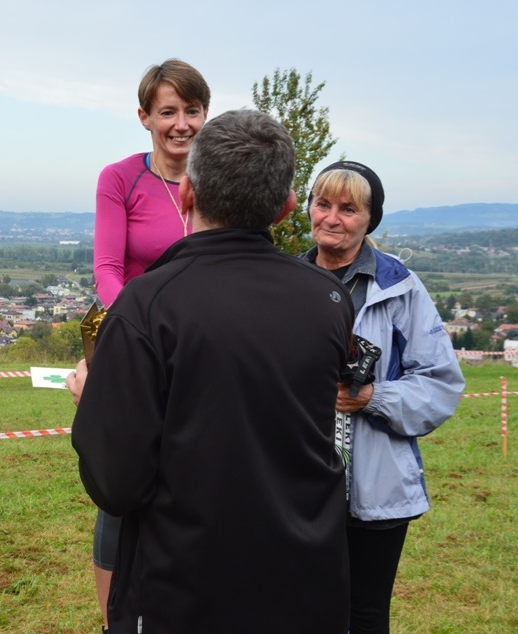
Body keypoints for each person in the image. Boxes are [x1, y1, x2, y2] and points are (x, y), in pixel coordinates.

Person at [70, 109, 354, 633]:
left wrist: (96, 401)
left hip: (185, 590)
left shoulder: (148, 304)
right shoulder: (328, 299)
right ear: (288, 207)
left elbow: (116, 484)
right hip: (306, 584)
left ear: (187, 194)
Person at [303, 160, 464, 634]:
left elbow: (440, 383)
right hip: (298, 482)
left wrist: (372, 397)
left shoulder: (400, 287)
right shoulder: (285, 281)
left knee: (366, 612)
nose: (332, 219)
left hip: (376, 489)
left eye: (348, 209)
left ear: (370, 219)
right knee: (299, 606)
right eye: (322, 204)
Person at [89, 58, 210, 631]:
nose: (181, 124)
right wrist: (140, 329)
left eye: (192, 110)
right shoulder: (121, 178)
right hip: (138, 350)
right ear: (144, 117)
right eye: (168, 112)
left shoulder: (218, 180)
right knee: (123, 485)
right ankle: (115, 618)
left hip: (204, 354)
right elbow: (108, 270)